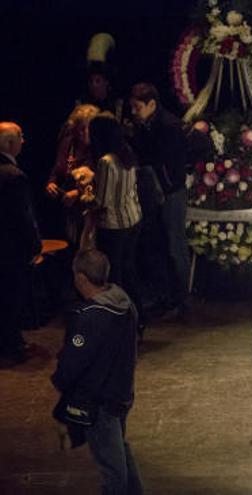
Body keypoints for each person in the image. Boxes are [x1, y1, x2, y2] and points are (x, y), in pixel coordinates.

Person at [51, 249, 143, 494]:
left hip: (100, 400)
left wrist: (59, 379)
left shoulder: (90, 318)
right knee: (119, 452)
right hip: (122, 393)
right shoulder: (125, 303)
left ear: (81, 278)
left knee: (112, 470)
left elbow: (72, 364)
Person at [128, 82, 190, 319]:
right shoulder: (146, 125)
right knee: (159, 246)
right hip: (155, 192)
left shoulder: (169, 126)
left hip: (171, 192)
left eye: (137, 107)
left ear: (152, 104)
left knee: (175, 247)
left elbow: (168, 163)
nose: (133, 112)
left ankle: (181, 300)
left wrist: (162, 186)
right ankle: (165, 296)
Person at [88, 113, 143, 330]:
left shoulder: (106, 161)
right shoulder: (128, 154)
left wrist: (85, 197)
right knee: (130, 270)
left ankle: (120, 320)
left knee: (115, 274)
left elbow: (102, 200)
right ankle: (138, 318)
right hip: (133, 219)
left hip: (114, 225)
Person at [0, 122, 41, 363]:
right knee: (11, 296)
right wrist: (34, 244)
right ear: (9, 143)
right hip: (10, 248)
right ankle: (10, 346)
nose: (24, 141)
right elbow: (24, 217)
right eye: (20, 137)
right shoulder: (14, 176)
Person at [47, 104, 100, 244]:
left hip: (90, 212)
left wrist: (77, 192)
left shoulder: (99, 149)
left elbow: (102, 181)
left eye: (88, 128)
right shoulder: (68, 143)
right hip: (67, 208)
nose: (84, 132)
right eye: (81, 128)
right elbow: (58, 168)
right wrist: (52, 182)